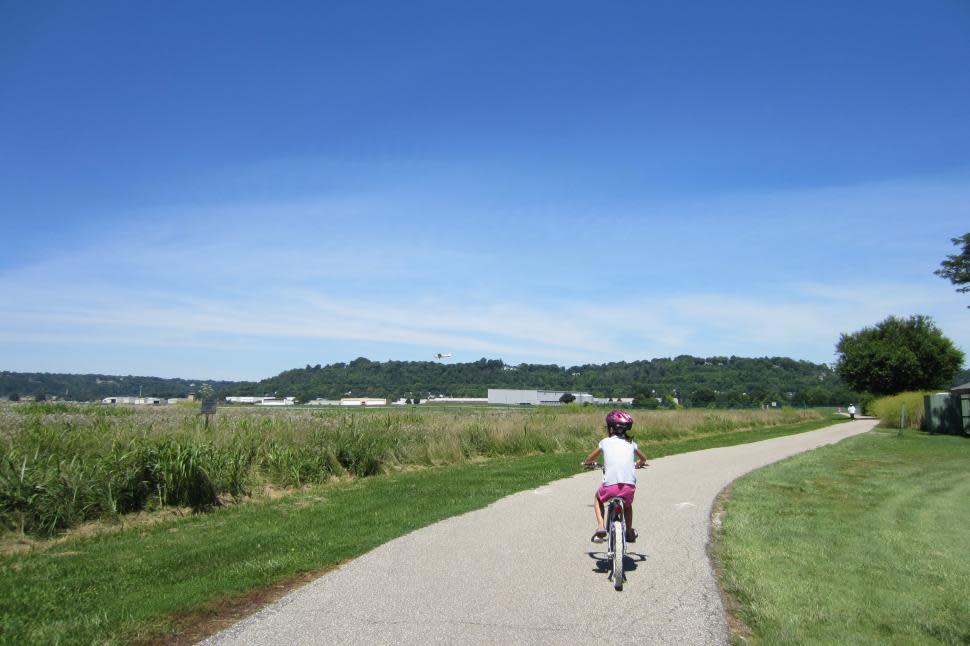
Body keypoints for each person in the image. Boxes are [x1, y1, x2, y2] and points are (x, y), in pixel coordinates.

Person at [583, 409, 648, 543]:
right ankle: (629, 532)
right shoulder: (631, 444)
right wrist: (639, 463)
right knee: (628, 506)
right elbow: (644, 458)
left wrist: (588, 462)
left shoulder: (605, 442)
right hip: (628, 487)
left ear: (611, 429)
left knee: (598, 498)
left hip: (610, 487)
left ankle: (601, 526)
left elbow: (590, 458)